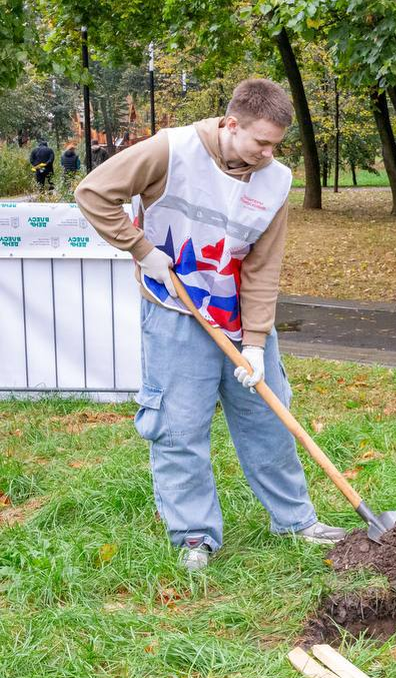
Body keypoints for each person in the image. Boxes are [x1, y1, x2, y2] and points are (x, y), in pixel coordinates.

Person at [75, 78, 347, 572]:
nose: (268, 153)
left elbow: (263, 266)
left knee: (269, 418)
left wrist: (259, 343)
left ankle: (296, 521)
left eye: (276, 144)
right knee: (179, 426)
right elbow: (93, 192)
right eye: (260, 141)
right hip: (176, 310)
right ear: (230, 124)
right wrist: (142, 250)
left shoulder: (276, 179)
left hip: (239, 318)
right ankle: (194, 536)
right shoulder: (171, 150)